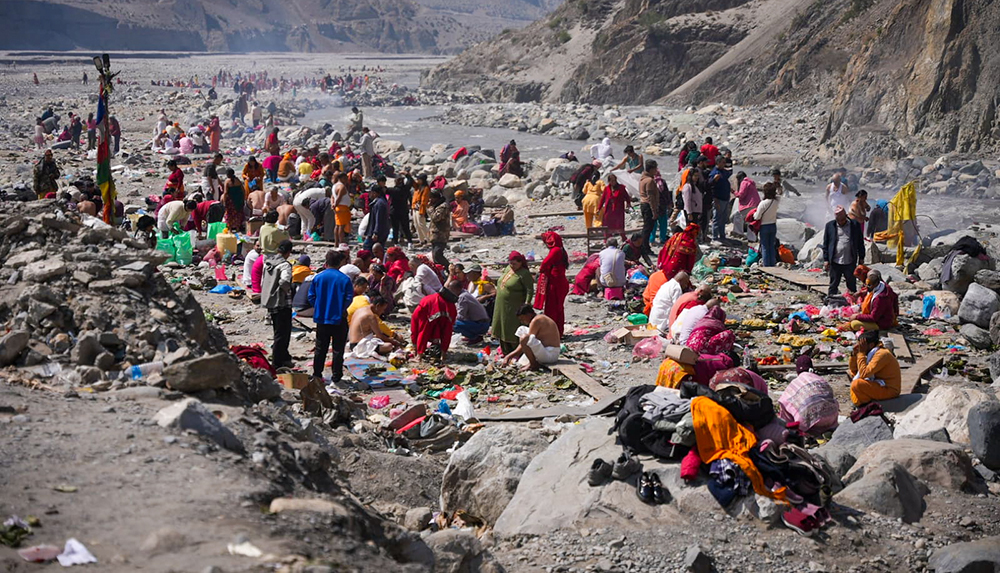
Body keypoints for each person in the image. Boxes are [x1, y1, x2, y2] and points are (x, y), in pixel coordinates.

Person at [308, 250, 354, 385]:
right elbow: (348, 298)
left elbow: (311, 297)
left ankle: (317, 374)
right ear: (340, 262)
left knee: (320, 348)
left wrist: (319, 306)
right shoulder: (345, 279)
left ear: (326, 262)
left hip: (322, 318)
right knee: (338, 349)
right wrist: (340, 309)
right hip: (338, 318)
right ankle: (336, 376)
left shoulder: (318, 277)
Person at [261, 239, 294, 369]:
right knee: (283, 333)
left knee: (278, 331)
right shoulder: (285, 265)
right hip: (282, 303)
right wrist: (286, 290)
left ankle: (285, 357)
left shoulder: (269, 263)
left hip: (270, 301)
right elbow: (284, 281)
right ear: (288, 252)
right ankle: (277, 363)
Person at [493, 252, 535, 354]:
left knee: (511, 325)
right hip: (501, 304)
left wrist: (527, 303)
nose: (512, 266)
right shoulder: (508, 269)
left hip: (514, 305)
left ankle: (515, 350)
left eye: (515, 264)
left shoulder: (524, 274)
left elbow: (530, 289)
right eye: (511, 263)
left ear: (520, 263)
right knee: (501, 323)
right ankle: (504, 349)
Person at [848, 330, 901, 406]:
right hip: (877, 383)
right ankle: (860, 402)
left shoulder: (882, 354)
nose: (860, 347)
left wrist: (861, 354)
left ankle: (863, 404)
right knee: (853, 375)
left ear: (871, 345)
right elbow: (854, 370)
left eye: (862, 345)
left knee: (857, 384)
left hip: (889, 389)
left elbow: (864, 374)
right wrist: (853, 355)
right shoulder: (872, 353)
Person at [411, 282, 461, 360]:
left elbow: (420, 332)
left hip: (429, 309)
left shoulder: (431, 299)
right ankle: (442, 354)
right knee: (442, 331)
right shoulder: (451, 306)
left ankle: (418, 354)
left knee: (424, 330)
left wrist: (416, 348)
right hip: (432, 309)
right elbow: (447, 333)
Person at [502, 305, 561, 371]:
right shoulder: (539, 318)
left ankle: (533, 364)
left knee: (524, 337)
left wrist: (509, 356)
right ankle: (532, 361)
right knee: (521, 329)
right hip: (549, 352)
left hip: (550, 355)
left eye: (522, 318)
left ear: (528, 314)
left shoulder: (536, 320)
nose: (522, 321)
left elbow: (526, 341)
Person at [822, 205, 863, 298]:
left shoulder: (854, 225)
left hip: (850, 259)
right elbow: (826, 243)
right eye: (838, 220)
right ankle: (830, 301)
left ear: (846, 216)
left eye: (842, 220)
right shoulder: (830, 226)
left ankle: (853, 302)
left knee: (851, 283)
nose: (840, 222)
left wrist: (861, 257)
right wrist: (826, 259)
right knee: (833, 283)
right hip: (835, 260)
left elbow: (860, 242)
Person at [533, 231, 569, 336]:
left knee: (551, 309)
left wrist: (541, 271)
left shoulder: (556, 250)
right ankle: (558, 332)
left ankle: (552, 333)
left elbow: (545, 263)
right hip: (560, 283)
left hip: (555, 284)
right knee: (558, 309)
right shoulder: (561, 250)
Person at [754, 183, 780, 267]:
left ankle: (766, 265)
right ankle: (772, 264)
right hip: (773, 225)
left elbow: (757, 217)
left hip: (764, 226)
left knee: (764, 246)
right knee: (771, 246)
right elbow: (780, 194)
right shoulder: (776, 201)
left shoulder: (763, 203)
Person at [599, 173, 631, 238]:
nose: (613, 182)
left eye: (614, 180)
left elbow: (627, 197)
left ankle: (623, 237)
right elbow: (603, 199)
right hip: (609, 209)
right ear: (609, 181)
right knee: (607, 222)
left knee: (620, 224)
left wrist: (628, 204)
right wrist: (599, 208)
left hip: (618, 209)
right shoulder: (607, 189)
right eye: (612, 181)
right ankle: (607, 237)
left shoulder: (621, 188)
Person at [709, 157, 733, 241]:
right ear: (718, 163)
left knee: (723, 218)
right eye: (723, 163)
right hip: (718, 199)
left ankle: (722, 236)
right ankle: (715, 237)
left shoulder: (723, 171)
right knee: (717, 218)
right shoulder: (715, 173)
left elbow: (729, 173)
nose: (724, 164)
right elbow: (711, 187)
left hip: (725, 198)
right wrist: (715, 200)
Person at [638, 160, 659, 255]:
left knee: (647, 228)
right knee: (648, 228)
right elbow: (650, 197)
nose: (656, 171)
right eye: (655, 169)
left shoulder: (643, 179)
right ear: (651, 169)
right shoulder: (649, 181)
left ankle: (644, 246)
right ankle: (645, 248)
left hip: (644, 205)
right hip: (648, 206)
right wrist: (654, 211)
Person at [732, 171, 759, 240]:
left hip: (749, 205)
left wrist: (733, 192)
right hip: (755, 204)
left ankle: (739, 233)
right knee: (751, 221)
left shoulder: (744, 183)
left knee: (737, 215)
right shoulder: (750, 183)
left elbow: (741, 195)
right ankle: (752, 238)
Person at [388, 174, 413, 245]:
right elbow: (410, 181)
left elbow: (384, 190)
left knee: (395, 228)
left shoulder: (393, 190)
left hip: (394, 211)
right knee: (406, 228)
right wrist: (407, 174)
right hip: (404, 211)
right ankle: (410, 242)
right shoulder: (406, 189)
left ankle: (396, 243)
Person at [365, 179, 390, 249]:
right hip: (380, 231)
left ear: (375, 193)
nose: (369, 194)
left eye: (370, 192)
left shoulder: (380, 204)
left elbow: (378, 218)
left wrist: (375, 233)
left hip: (379, 233)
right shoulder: (379, 202)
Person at [429, 191, 451, 267]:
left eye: (431, 198)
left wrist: (430, 209)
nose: (430, 200)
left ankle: (450, 269)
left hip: (441, 235)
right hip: (435, 234)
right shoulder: (436, 206)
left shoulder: (443, 206)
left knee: (438, 254)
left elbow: (436, 218)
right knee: (435, 256)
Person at [222, 168, 247, 232]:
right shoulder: (237, 180)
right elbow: (243, 190)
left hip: (231, 200)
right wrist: (243, 198)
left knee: (230, 214)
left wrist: (224, 201)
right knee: (238, 213)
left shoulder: (227, 181)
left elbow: (225, 192)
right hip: (239, 199)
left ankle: (230, 228)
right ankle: (238, 227)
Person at [332, 172, 352, 244]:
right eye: (345, 178)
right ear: (341, 178)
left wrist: (333, 204)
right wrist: (335, 204)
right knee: (341, 226)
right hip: (342, 207)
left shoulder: (334, 186)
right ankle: (341, 242)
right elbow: (339, 197)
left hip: (338, 207)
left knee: (337, 225)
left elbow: (332, 197)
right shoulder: (342, 186)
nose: (346, 180)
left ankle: (336, 242)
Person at [411, 174, 431, 244]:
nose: (417, 181)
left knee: (422, 225)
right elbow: (412, 182)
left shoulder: (425, 188)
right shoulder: (418, 187)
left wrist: (422, 211)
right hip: (415, 208)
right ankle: (421, 240)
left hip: (420, 209)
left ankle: (429, 240)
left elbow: (424, 201)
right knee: (416, 225)